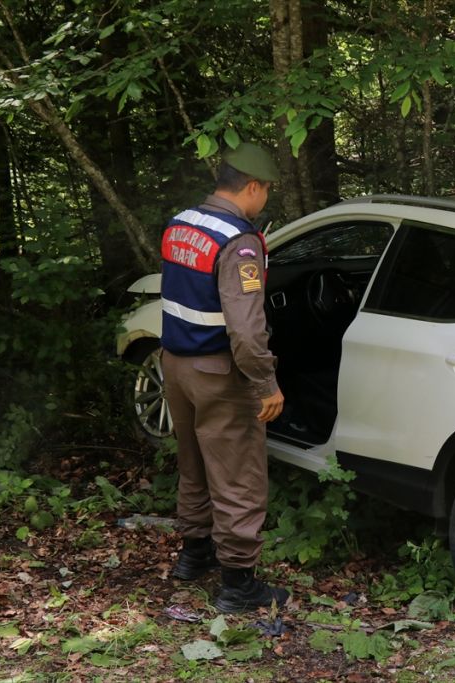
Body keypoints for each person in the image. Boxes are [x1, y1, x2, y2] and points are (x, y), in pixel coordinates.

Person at [159, 142, 288, 613]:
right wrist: (266, 383)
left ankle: (194, 556)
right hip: (219, 372)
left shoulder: (182, 223)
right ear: (252, 186)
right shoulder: (239, 242)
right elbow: (247, 331)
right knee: (238, 476)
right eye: (267, 190)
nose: (266, 198)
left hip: (175, 364)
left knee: (193, 463)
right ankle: (238, 584)